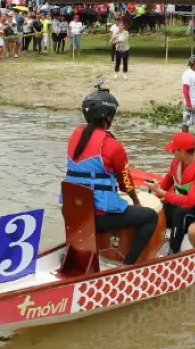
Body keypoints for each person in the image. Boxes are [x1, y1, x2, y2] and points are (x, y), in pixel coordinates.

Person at [63, 83, 157, 265]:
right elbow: (126, 184)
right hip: (97, 216)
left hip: (72, 211)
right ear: (108, 117)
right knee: (149, 217)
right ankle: (128, 265)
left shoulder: (74, 136)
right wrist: (137, 203)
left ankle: (82, 250)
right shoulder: (112, 146)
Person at [145, 132, 195, 254]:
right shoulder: (176, 163)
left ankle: (173, 251)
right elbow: (165, 184)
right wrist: (155, 199)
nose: (172, 153)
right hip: (181, 204)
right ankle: (149, 246)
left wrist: (163, 193)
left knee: (179, 212)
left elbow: (190, 201)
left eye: (173, 151)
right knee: (156, 209)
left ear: (181, 152)